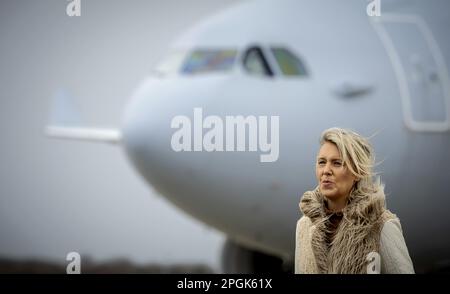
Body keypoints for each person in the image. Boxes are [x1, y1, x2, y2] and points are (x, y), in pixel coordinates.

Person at [295, 127, 414, 274]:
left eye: (337, 163)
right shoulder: (305, 226)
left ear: (357, 172)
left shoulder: (381, 225)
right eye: (321, 162)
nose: (326, 170)